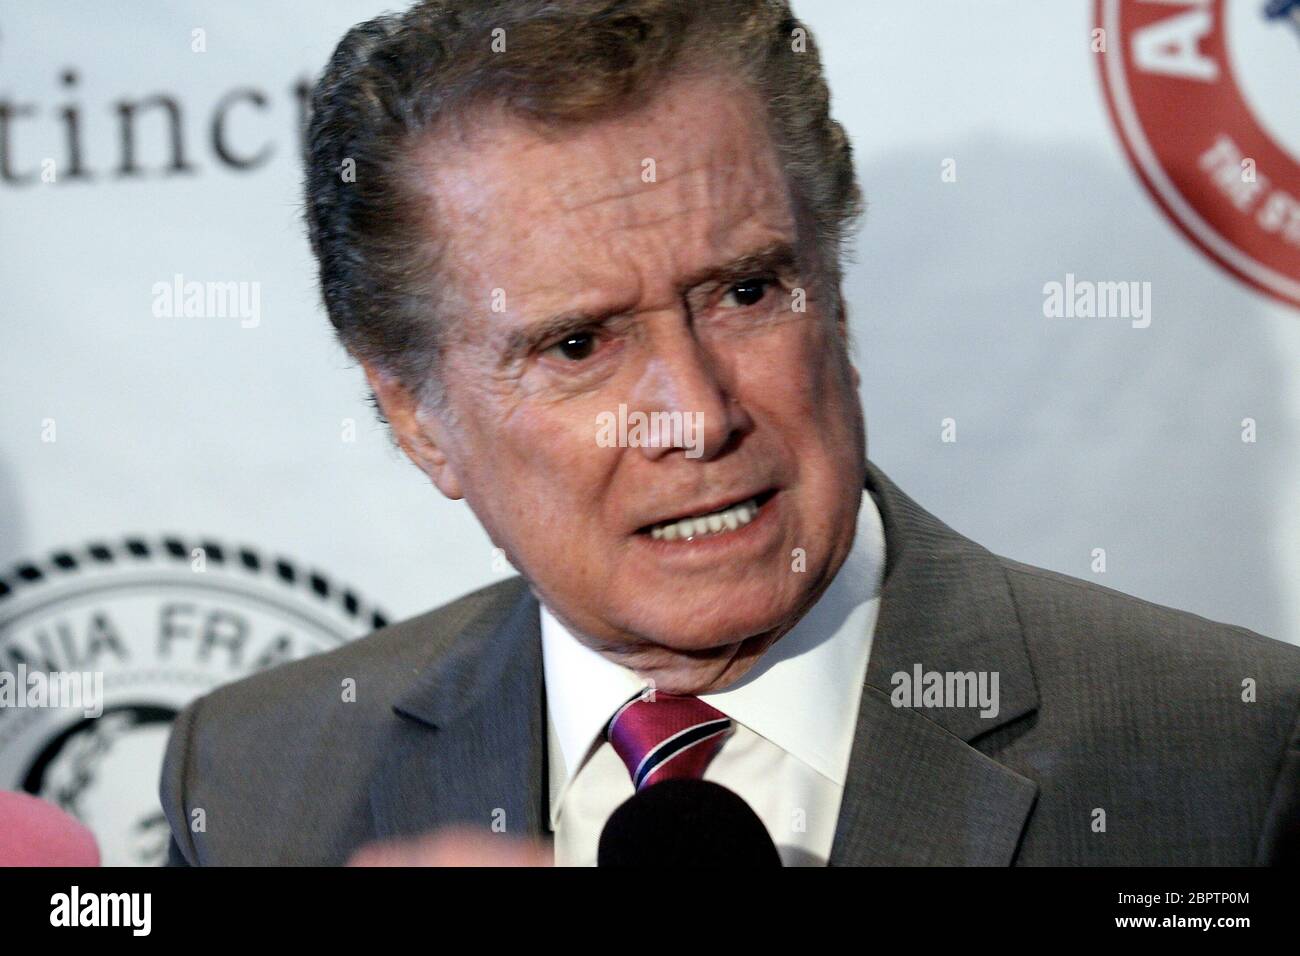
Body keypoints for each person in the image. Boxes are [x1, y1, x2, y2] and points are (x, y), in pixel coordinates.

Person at [160, 0, 1300, 866]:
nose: (698, 416)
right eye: (577, 346)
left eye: (747, 293)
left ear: (836, 298)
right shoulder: (260, 783)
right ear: (416, 415)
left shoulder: (1227, 759)